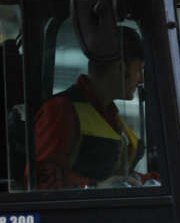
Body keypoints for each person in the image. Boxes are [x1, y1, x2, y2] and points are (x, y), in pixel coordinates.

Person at [32, 26, 145, 189]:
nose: (141, 80)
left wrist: (153, 180)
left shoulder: (108, 113)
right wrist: (93, 187)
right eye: (139, 70)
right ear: (120, 68)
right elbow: (39, 179)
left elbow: (116, 175)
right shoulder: (61, 111)